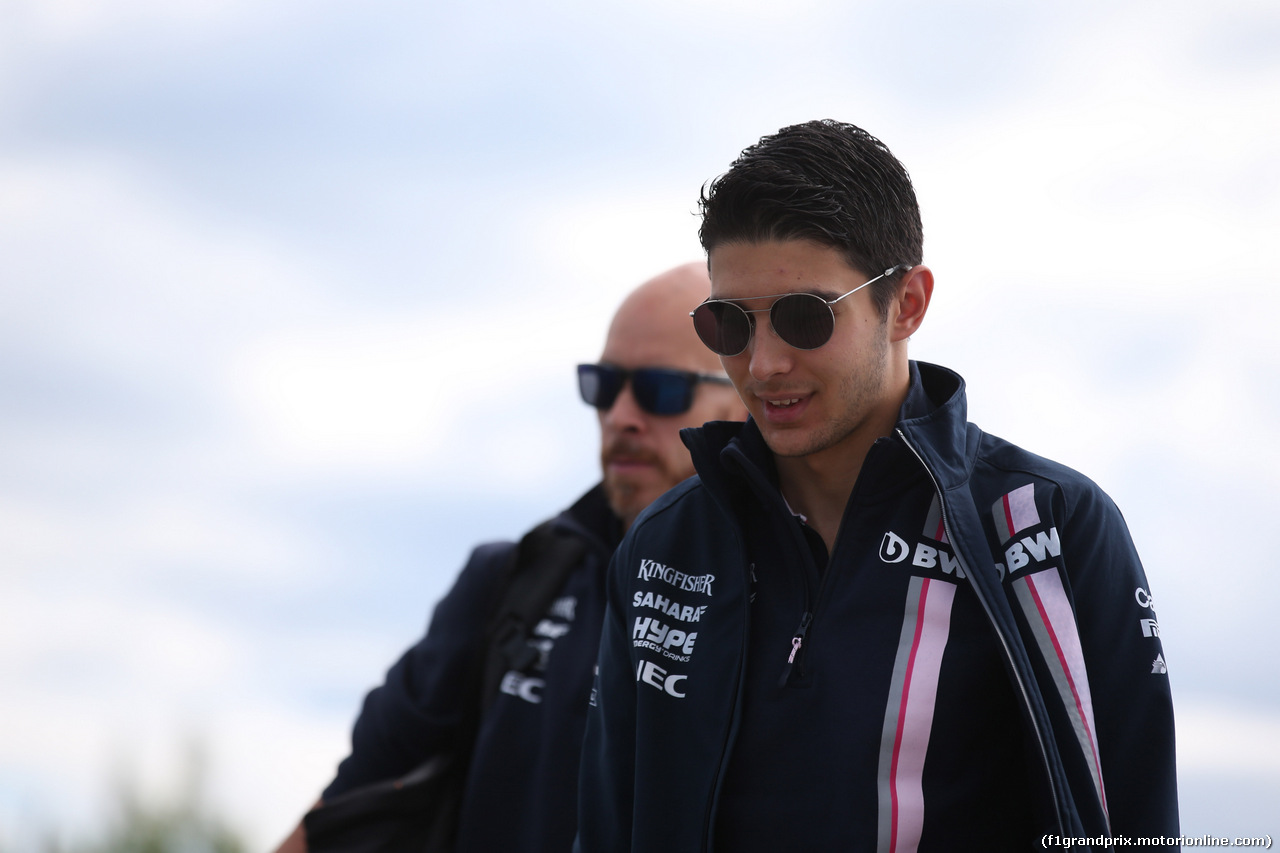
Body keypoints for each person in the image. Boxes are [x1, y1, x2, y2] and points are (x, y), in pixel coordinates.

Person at [575, 121, 1178, 852]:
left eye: (804, 317)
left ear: (908, 305)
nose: (763, 364)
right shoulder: (663, 546)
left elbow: (1135, 831)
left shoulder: (1045, 528)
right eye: (728, 324)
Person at [271, 262, 745, 853]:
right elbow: (347, 802)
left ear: (745, 403)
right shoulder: (513, 581)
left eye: (660, 389)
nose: (622, 416)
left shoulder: (785, 597)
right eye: (602, 385)